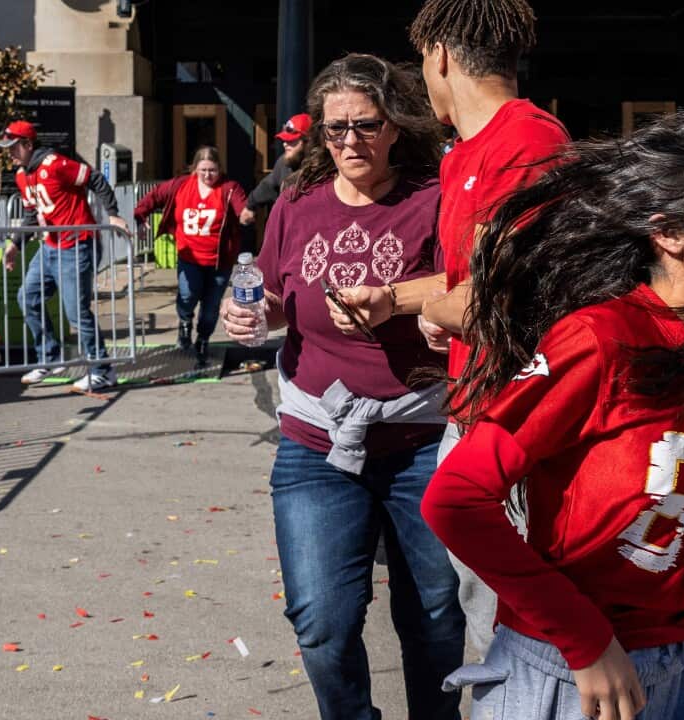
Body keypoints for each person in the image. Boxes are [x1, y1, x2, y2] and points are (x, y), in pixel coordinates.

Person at [421, 112, 684, 720]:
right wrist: (584, 640)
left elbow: (675, 529)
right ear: (670, 233)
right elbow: (455, 499)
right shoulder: (598, 340)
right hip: (570, 678)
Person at [220, 54, 464, 720]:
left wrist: (400, 303)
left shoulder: (433, 197)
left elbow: (466, 285)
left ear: (394, 126)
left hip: (421, 440)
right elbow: (276, 296)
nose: (350, 141)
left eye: (366, 125)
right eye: (336, 129)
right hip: (316, 442)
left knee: (436, 618)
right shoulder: (297, 203)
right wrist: (249, 313)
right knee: (321, 623)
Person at [330, 0, 570, 660]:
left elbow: (506, 304)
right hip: (472, 408)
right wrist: (391, 299)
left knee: (517, 631)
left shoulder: (528, 144)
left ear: (438, 55)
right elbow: (467, 282)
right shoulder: (464, 154)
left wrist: (440, 311)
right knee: (484, 614)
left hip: (517, 421)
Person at [0, 119, 130, 392]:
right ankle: (51, 357)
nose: (9, 153)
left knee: (76, 313)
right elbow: (31, 214)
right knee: (27, 297)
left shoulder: (55, 164)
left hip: (77, 245)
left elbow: (95, 178)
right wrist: (15, 244)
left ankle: (102, 370)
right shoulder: (22, 176)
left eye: (13, 147)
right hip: (50, 246)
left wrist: (113, 214)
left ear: (28, 144)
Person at [134, 146, 248, 366]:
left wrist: (246, 215)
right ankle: (185, 322)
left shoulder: (229, 188)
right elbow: (154, 196)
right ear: (194, 169)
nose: (208, 175)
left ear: (220, 169)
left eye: (212, 170)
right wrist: (141, 215)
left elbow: (241, 207)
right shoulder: (180, 185)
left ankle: (203, 339)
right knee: (187, 295)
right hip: (189, 257)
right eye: (203, 170)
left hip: (219, 261)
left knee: (210, 307)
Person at [239, 113, 310, 226]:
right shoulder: (283, 163)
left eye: (291, 140)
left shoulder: (323, 169)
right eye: (284, 140)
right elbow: (268, 185)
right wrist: (250, 206)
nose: (285, 144)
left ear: (308, 142)